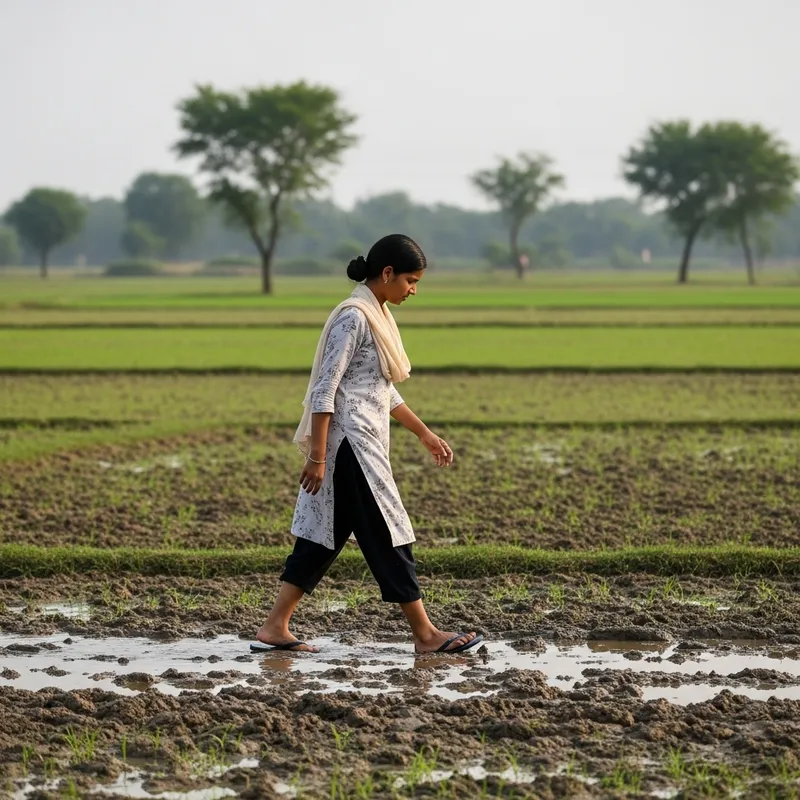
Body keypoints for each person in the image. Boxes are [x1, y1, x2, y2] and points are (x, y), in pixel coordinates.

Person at [254, 234, 482, 655]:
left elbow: (381, 391)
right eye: (411, 280)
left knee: (322, 538)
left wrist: (424, 432)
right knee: (390, 535)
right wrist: (318, 457)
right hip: (350, 447)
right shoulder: (355, 317)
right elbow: (327, 389)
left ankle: (274, 627)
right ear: (388, 273)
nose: (414, 290)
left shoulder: (377, 315)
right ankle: (426, 635)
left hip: (364, 443)